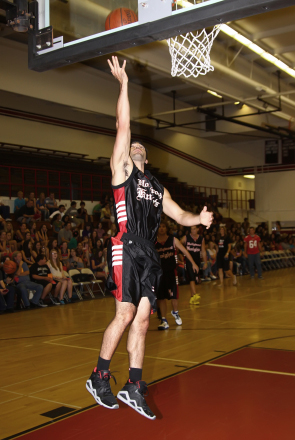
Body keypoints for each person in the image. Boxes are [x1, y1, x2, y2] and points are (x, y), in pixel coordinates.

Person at [86, 57, 213, 420]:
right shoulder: (122, 169)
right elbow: (123, 123)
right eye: (133, 145)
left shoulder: (157, 187)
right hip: (126, 244)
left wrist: (198, 218)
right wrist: (124, 84)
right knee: (125, 312)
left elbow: (179, 215)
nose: (136, 146)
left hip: (150, 257)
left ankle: (134, 385)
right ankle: (99, 375)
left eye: (141, 146)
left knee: (143, 321)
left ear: (149, 156)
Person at [155, 222, 199, 330]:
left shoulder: (173, 240)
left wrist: (193, 263)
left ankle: (175, 312)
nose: (161, 228)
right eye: (160, 226)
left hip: (171, 272)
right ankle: (164, 320)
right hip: (159, 273)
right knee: (161, 298)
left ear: (166, 228)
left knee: (174, 296)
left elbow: (185, 251)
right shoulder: (153, 241)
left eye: (163, 226)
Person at [181, 225, 208, 304]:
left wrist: (205, 262)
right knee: (191, 277)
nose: (193, 230)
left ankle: (192, 297)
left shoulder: (201, 239)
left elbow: (203, 251)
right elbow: (179, 243)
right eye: (191, 229)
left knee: (195, 278)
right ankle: (195, 294)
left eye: (194, 228)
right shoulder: (186, 237)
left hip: (197, 260)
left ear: (197, 229)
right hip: (188, 260)